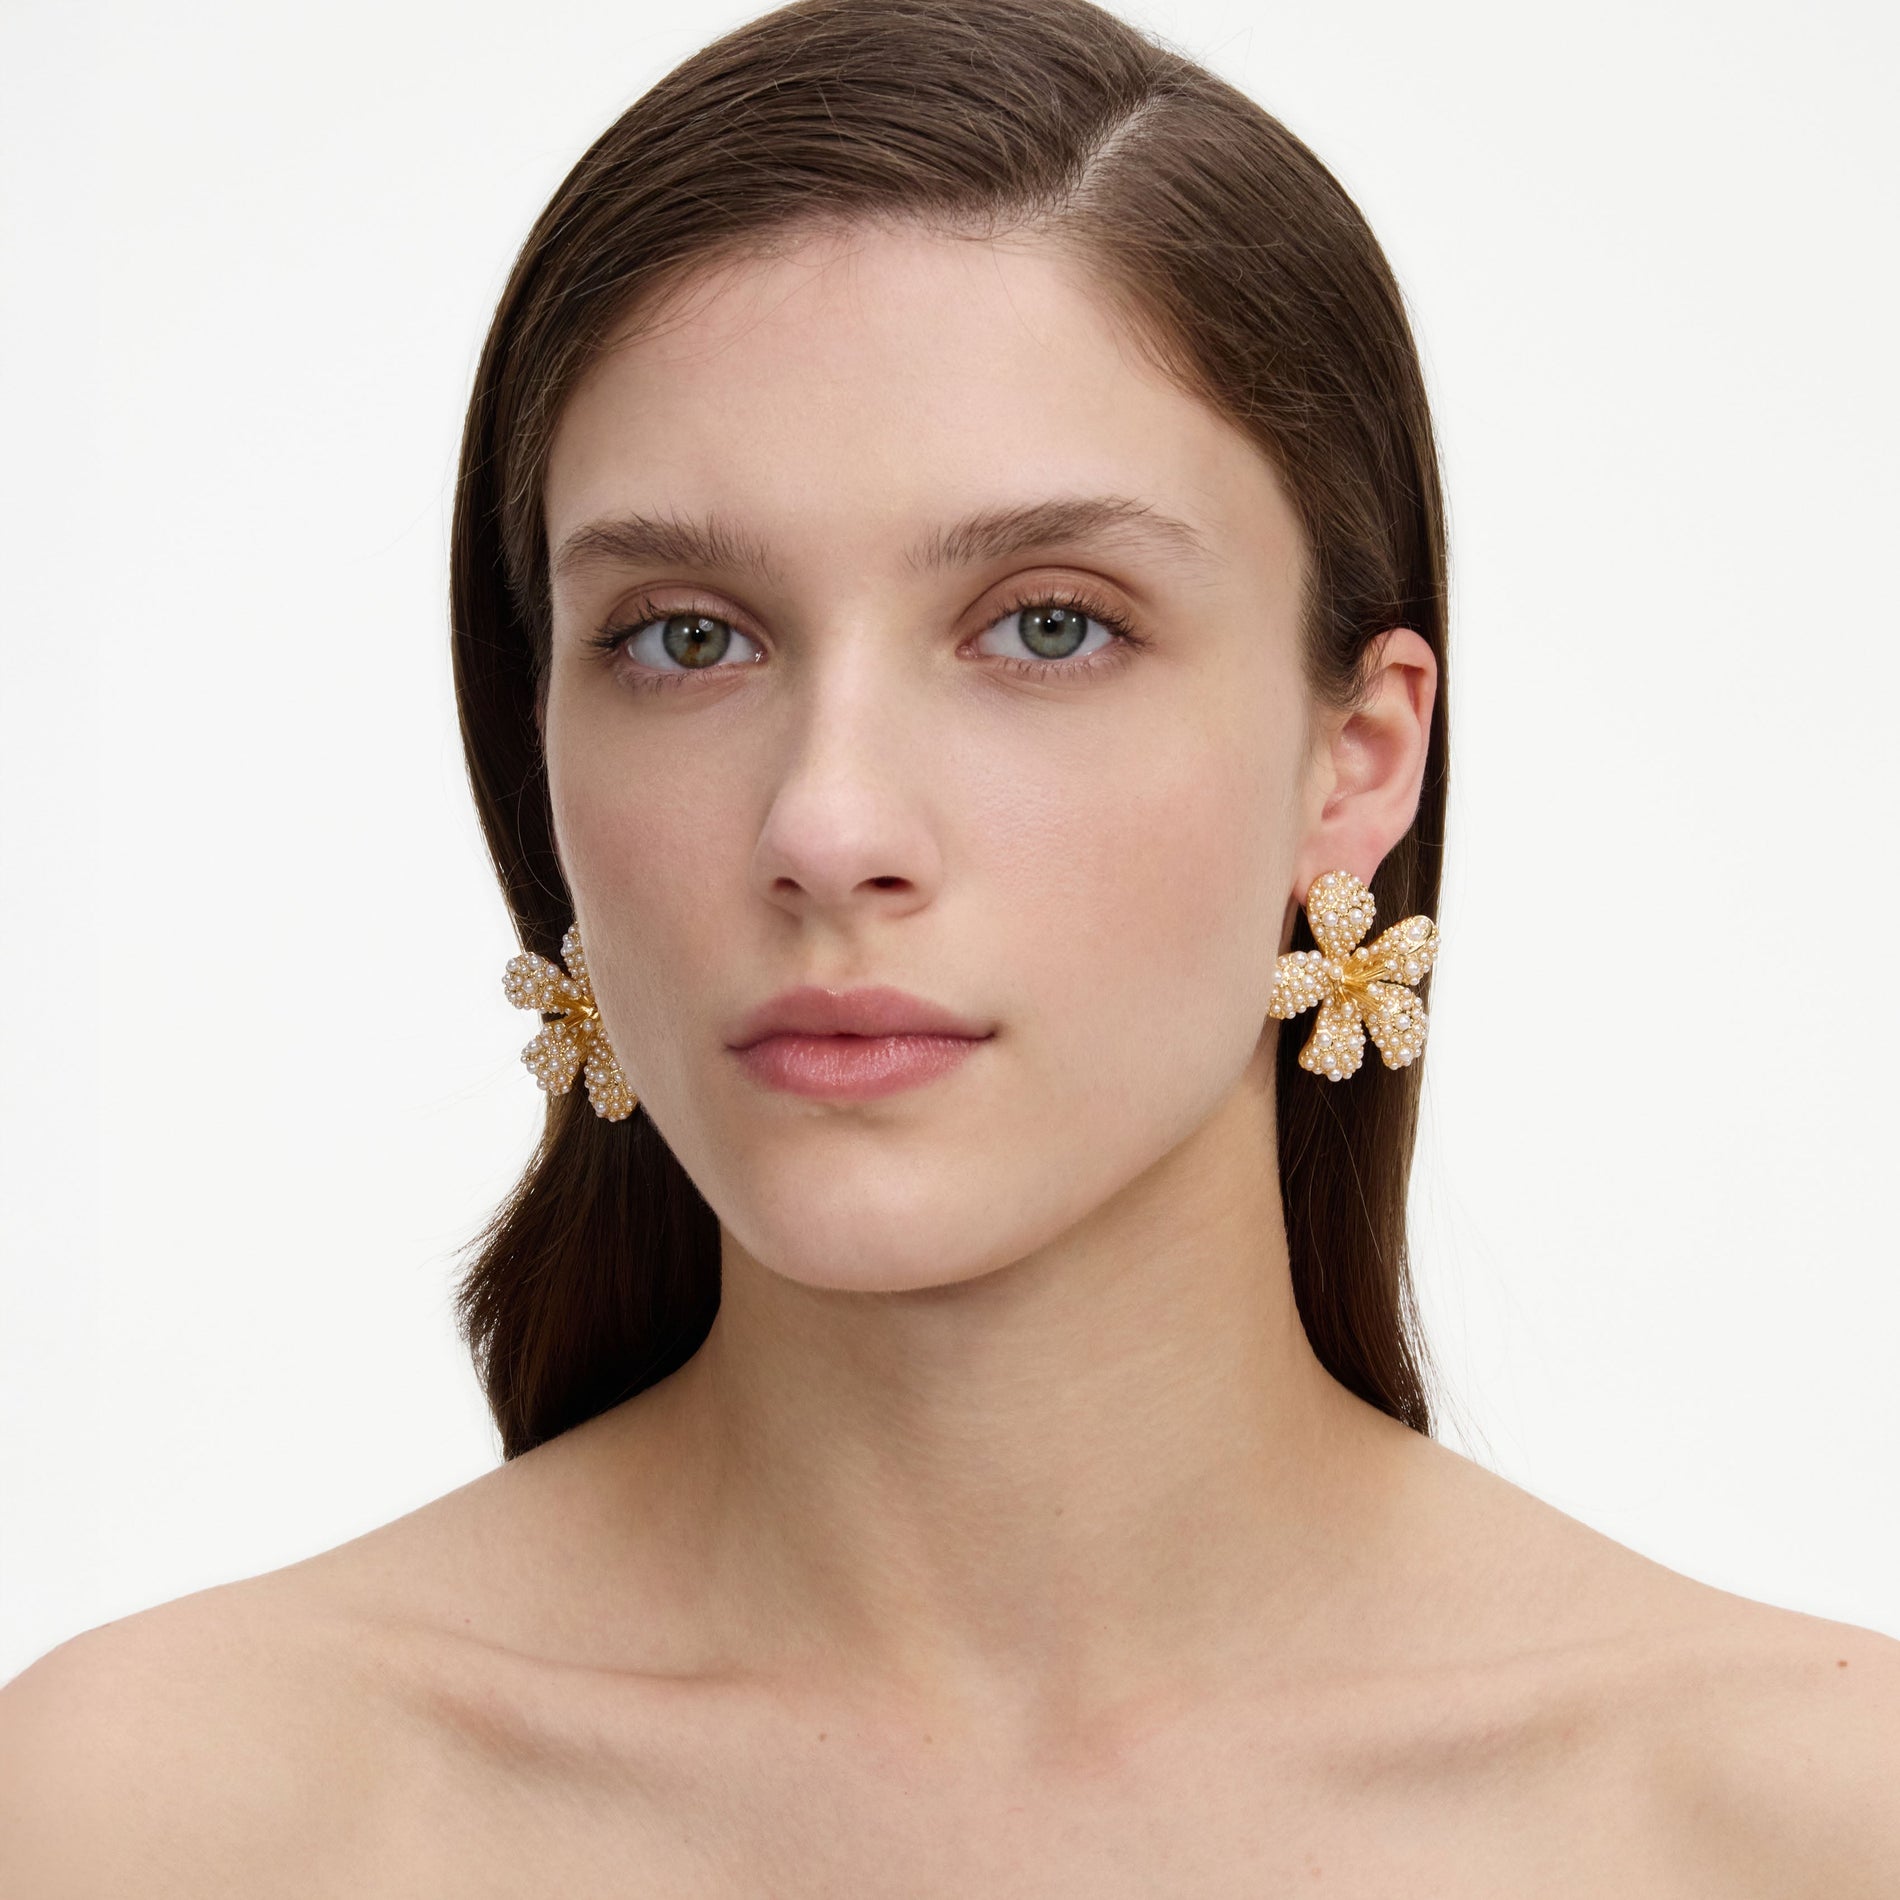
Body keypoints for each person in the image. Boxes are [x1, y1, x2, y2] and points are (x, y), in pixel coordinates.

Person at [4, 0, 1895, 1888]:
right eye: (686, 635)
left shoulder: (1801, 1826)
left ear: (1359, 756)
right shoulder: (157, 1818)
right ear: (538, 743)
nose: (828, 826)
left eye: (1049, 627)